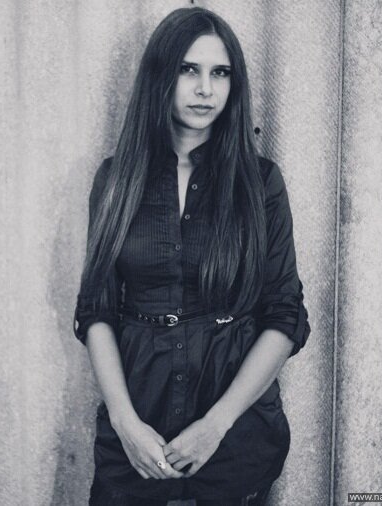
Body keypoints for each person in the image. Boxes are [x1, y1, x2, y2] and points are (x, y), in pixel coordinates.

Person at [73, 6, 311, 506]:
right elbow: (96, 310)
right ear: (161, 75)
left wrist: (215, 425)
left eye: (220, 73)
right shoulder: (115, 181)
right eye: (189, 69)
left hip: (236, 431)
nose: (206, 89)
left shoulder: (261, 183)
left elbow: (284, 313)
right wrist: (125, 423)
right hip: (139, 420)